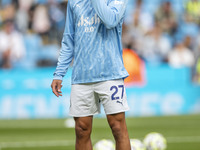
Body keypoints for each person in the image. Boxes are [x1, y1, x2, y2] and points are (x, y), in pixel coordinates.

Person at [51, 0, 131, 150]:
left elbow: (110, 21)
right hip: (82, 75)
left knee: (118, 127)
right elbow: (69, 39)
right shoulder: (74, 2)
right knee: (81, 129)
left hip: (110, 73)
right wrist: (59, 73)